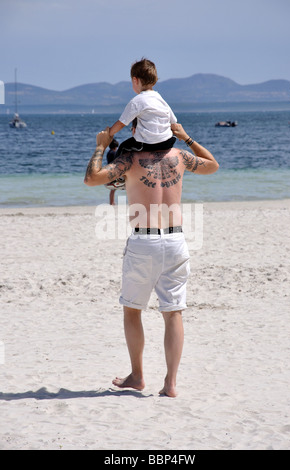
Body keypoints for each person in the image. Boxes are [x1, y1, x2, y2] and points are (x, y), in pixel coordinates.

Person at [84, 123, 219, 397]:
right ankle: (170, 384)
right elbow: (212, 165)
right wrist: (186, 136)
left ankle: (137, 375)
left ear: (137, 130)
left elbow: (92, 178)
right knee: (173, 313)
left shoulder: (130, 159)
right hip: (175, 241)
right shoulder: (180, 157)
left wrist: (100, 145)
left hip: (144, 241)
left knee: (133, 310)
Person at [109, 58, 177, 158]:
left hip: (147, 144)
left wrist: (109, 133)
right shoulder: (160, 99)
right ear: (154, 81)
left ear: (135, 80)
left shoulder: (137, 101)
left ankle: (118, 172)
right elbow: (173, 121)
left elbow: (121, 123)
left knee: (123, 147)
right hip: (167, 141)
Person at [106, 139, 119, 205]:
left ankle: (111, 202)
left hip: (109, 171)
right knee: (113, 188)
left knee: (113, 188)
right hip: (113, 171)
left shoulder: (109, 152)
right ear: (115, 147)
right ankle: (112, 202)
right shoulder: (114, 153)